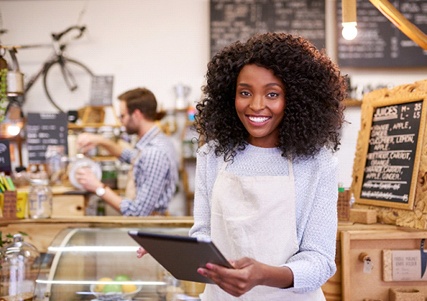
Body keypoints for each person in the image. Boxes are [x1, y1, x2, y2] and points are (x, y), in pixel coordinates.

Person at [187, 32, 346, 300]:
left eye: (272, 94)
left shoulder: (318, 163)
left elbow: (320, 260)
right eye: (245, 92)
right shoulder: (212, 155)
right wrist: (175, 252)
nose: (256, 105)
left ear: (296, 99)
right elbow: (203, 233)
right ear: (229, 95)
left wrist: (265, 275)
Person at [75, 87, 179, 216]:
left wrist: (97, 187)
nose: (120, 121)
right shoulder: (154, 141)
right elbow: (131, 157)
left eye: (122, 116)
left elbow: (137, 212)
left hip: (149, 229)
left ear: (136, 115)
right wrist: (100, 141)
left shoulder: (154, 152)